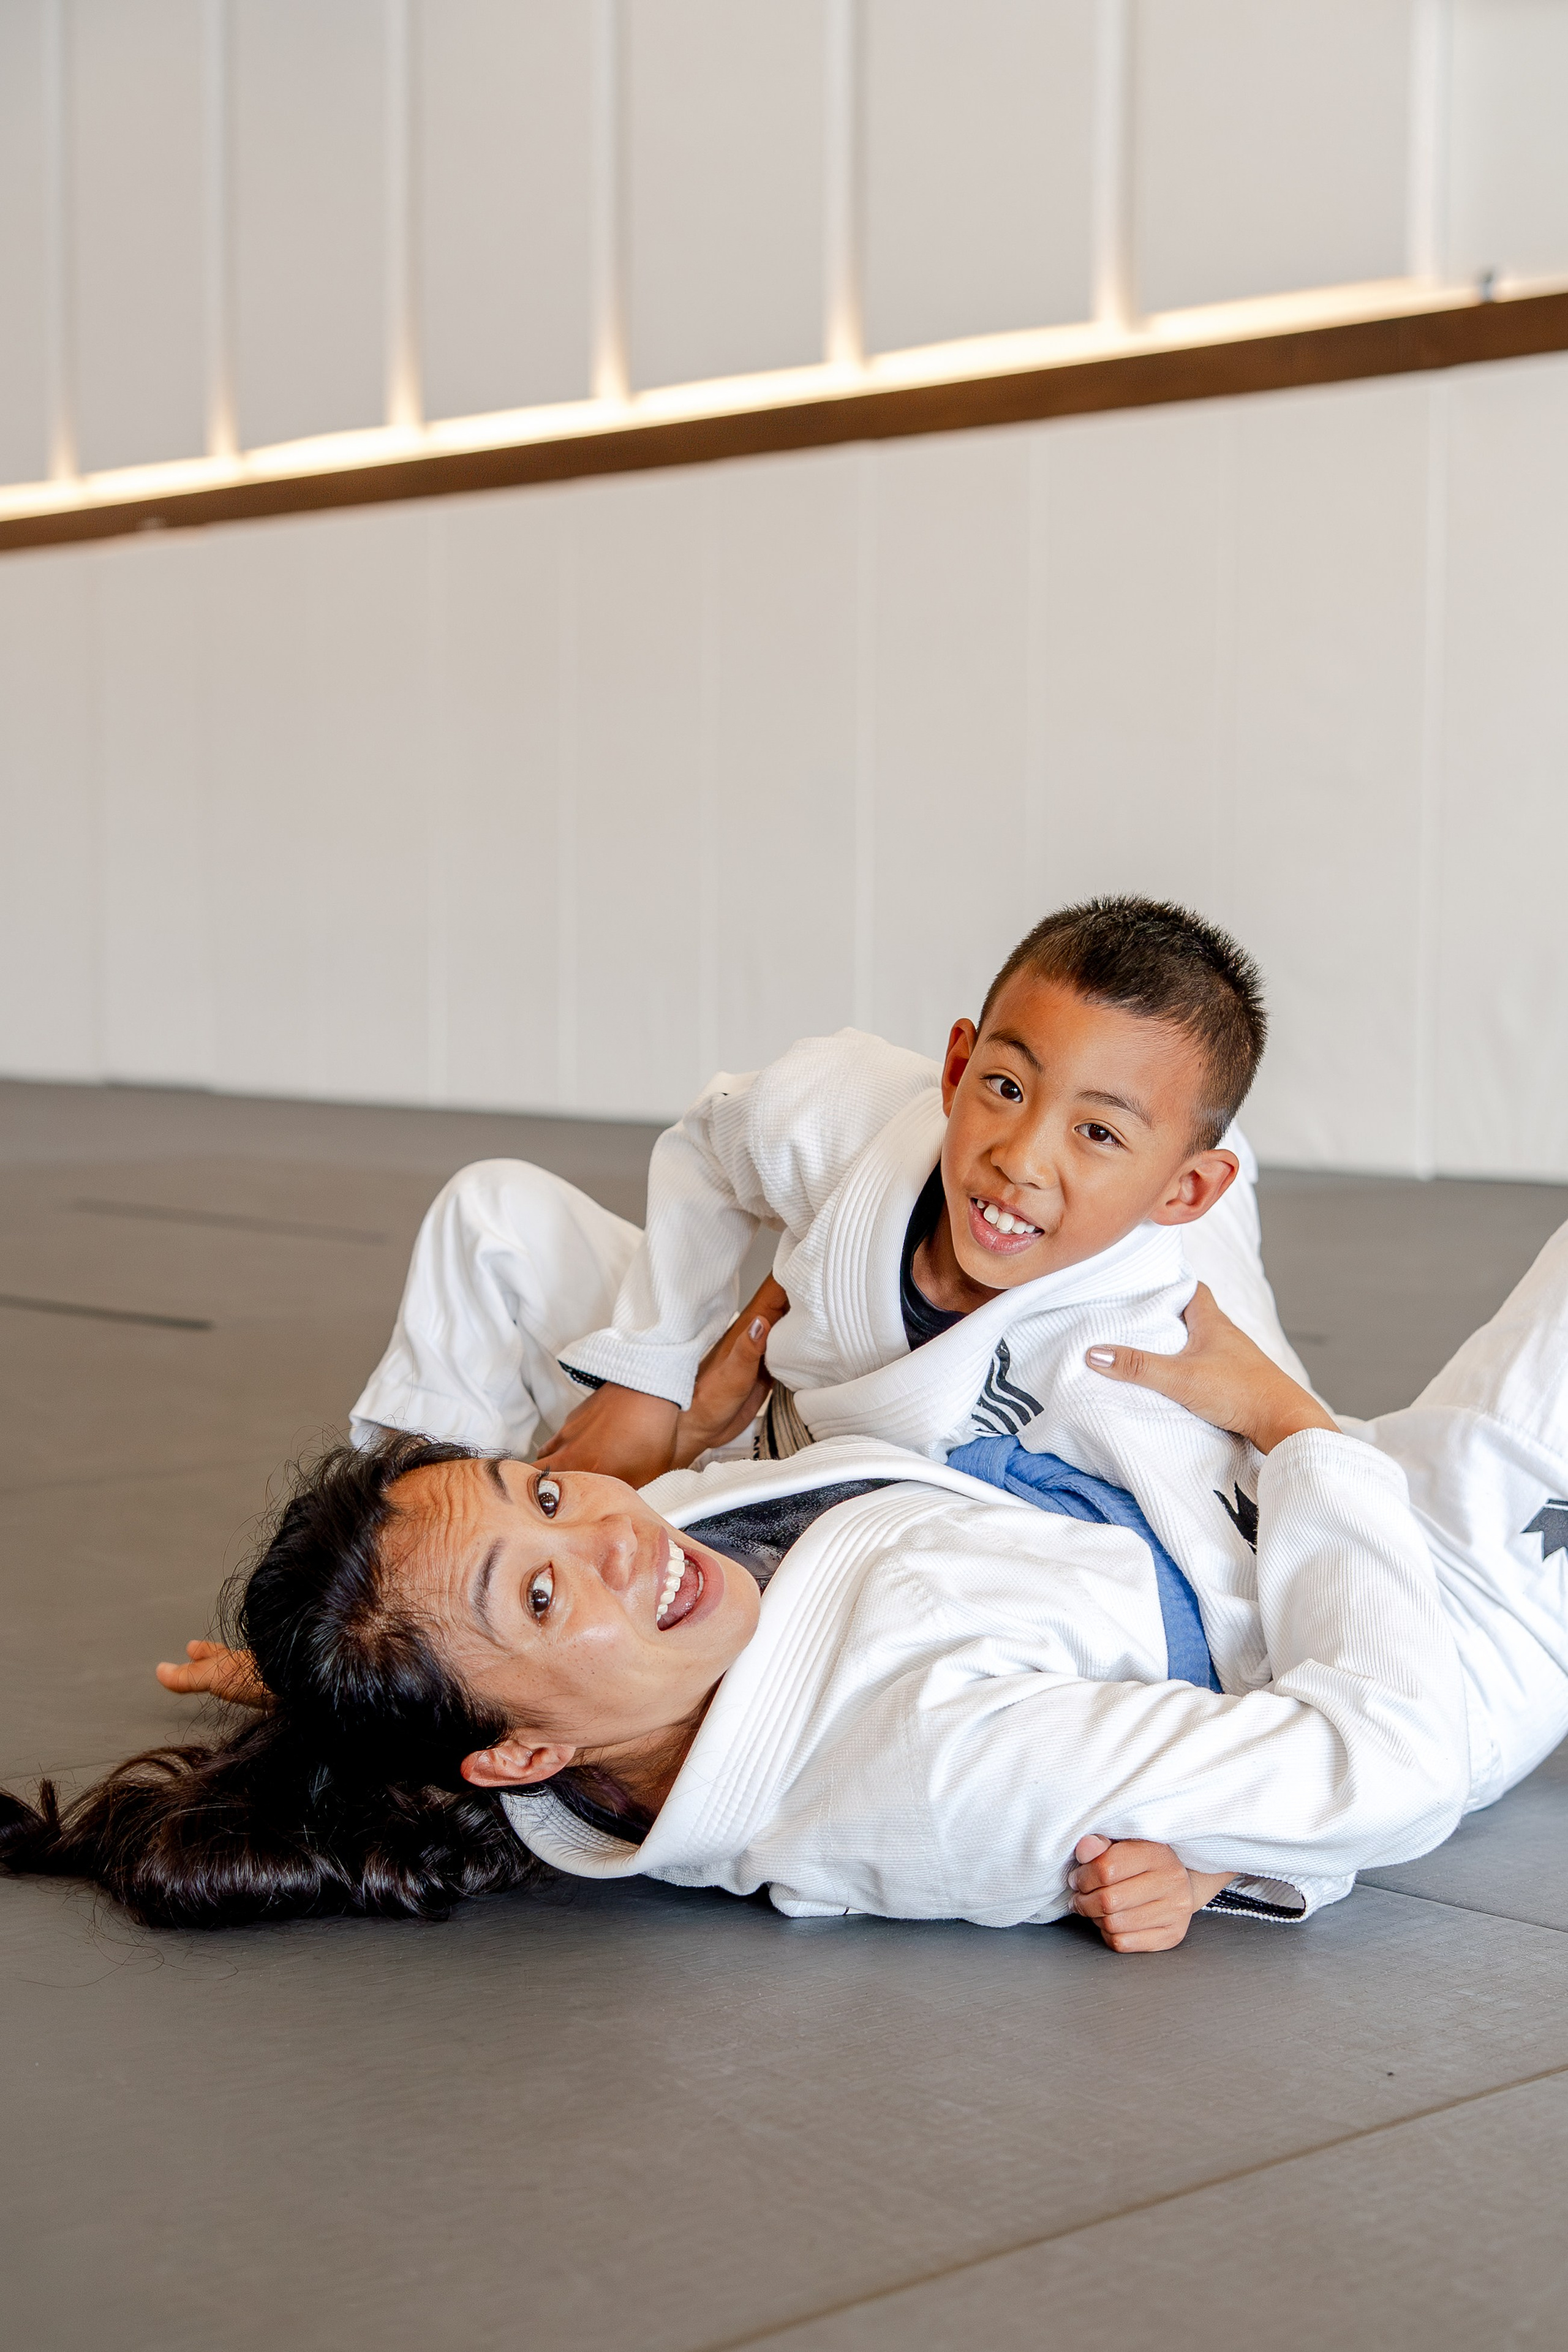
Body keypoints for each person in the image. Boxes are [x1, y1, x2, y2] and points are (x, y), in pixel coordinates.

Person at [0, 1283, 1475, 1945]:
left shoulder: (651, 1636)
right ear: (512, 1759)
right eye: (537, 1589)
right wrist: (1297, 1442)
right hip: (1404, 1579)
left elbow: (563, 1572)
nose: (617, 1538)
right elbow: (1393, 1758)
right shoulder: (921, 1769)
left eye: (549, 1494)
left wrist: (323, 1696)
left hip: (1129, 1462)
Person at [349, 898, 1311, 1510]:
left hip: (833, 1499)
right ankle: (393, 1579)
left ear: (1184, 1191)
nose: (1019, 1157)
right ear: (955, 1065)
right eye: (1006, 1087)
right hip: (762, 1413)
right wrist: (652, 1376)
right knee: (492, 1214)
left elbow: (1216, 1583)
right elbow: (705, 1148)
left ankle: (1216, 1177)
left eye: (1094, 1130)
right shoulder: (844, 1113)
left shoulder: (1150, 1356)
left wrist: (675, 1460)